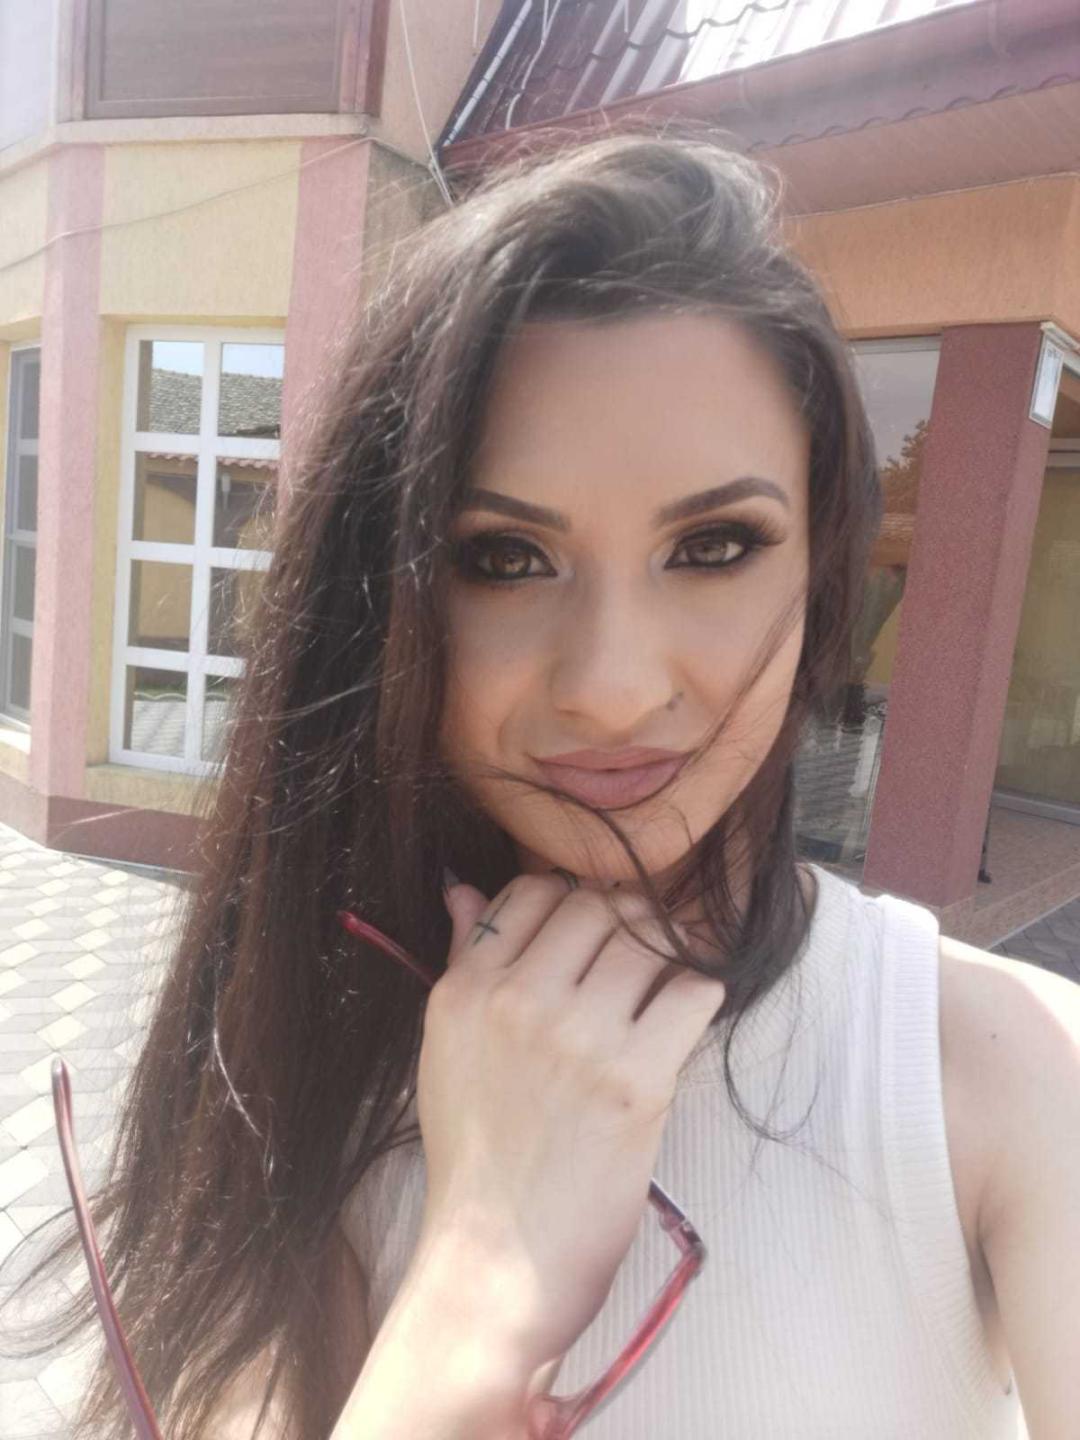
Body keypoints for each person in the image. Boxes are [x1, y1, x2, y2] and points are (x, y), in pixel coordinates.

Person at [3, 126, 1078, 1440]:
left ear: (821, 575)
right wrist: (477, 1294)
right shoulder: (300, 1060)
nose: (612, 688)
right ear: (382, 611)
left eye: (715, 546)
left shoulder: (1001, 1072)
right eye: (505, 559)